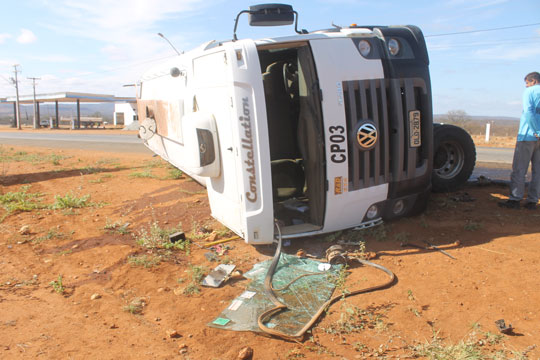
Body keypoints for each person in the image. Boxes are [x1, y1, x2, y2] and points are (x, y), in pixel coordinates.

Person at [499, 72, 540, 210]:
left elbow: (529, 111)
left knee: (519, 168)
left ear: (533, 81)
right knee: (538, 171)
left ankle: (515, 199)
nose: (526, 85)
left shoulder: (530, 91)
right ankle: (532, 200)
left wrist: (536, 130)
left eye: (527, 83)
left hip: (528, 135)